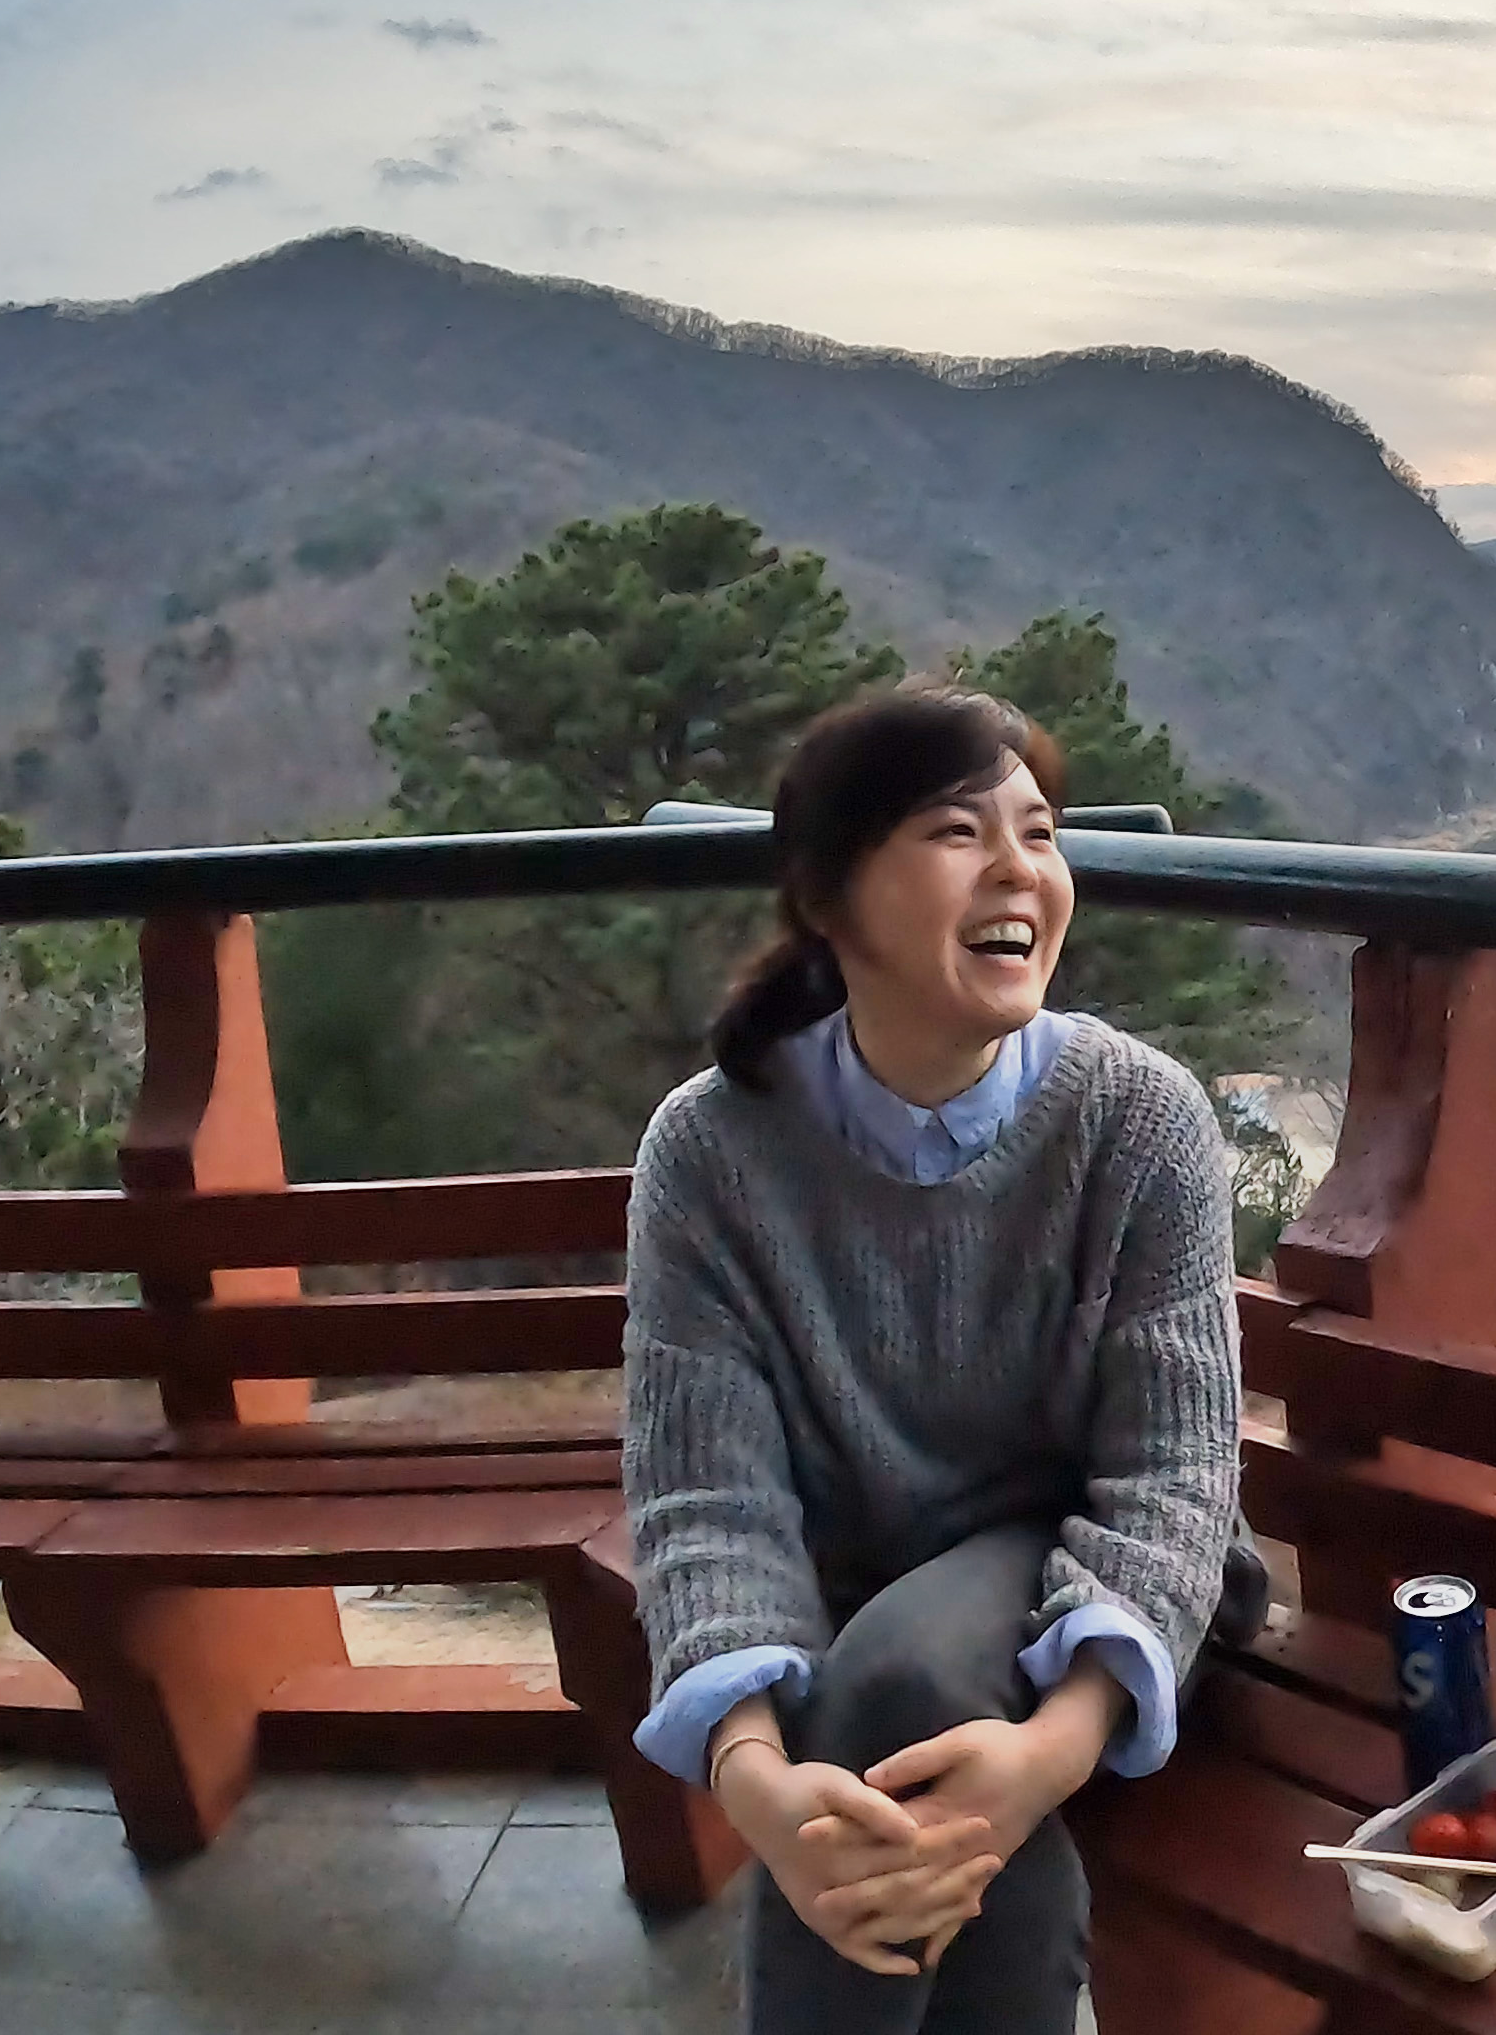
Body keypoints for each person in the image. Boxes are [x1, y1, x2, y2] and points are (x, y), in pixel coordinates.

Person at [622, 683, 1264, 2035]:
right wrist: (756, 1784)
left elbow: (1175, 1479)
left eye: (1040, 832)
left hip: (1108, 1582)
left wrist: (1053, 1750)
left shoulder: (1137, 1121)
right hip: (863, 1589)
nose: (1020, 869)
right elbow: (707, 1498)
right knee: (891, 1706)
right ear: (827, 897)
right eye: (959, 832)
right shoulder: (711, 1151)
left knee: (899, 1681)